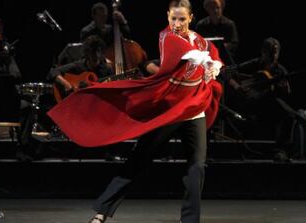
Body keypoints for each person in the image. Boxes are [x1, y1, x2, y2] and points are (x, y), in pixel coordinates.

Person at [48, 0, 223, 222]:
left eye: (181, 19)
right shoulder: (167, 37)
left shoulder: (199, 40)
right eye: (173, 18)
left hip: (194, 107)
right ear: (168, 16)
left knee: (197, 166)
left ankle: (190, 220)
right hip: (168, 109)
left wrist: (215, 65)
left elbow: (212, 52)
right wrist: (205, 61)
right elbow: (182, 53)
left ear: (190, 18)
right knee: (140, 159)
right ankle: (102, 211)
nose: (177, 23)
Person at [236, 37, 299, 160]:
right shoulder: (253, 65)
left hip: (270, 106)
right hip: (252, 102)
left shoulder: (280, 71)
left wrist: (284, 88)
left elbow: (286, 93)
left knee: (277, 104)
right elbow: (236, 73)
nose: (273, 56)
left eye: (275, 53)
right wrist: (239, 88)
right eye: (270, 52)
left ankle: (280, 150)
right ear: (263, 52)